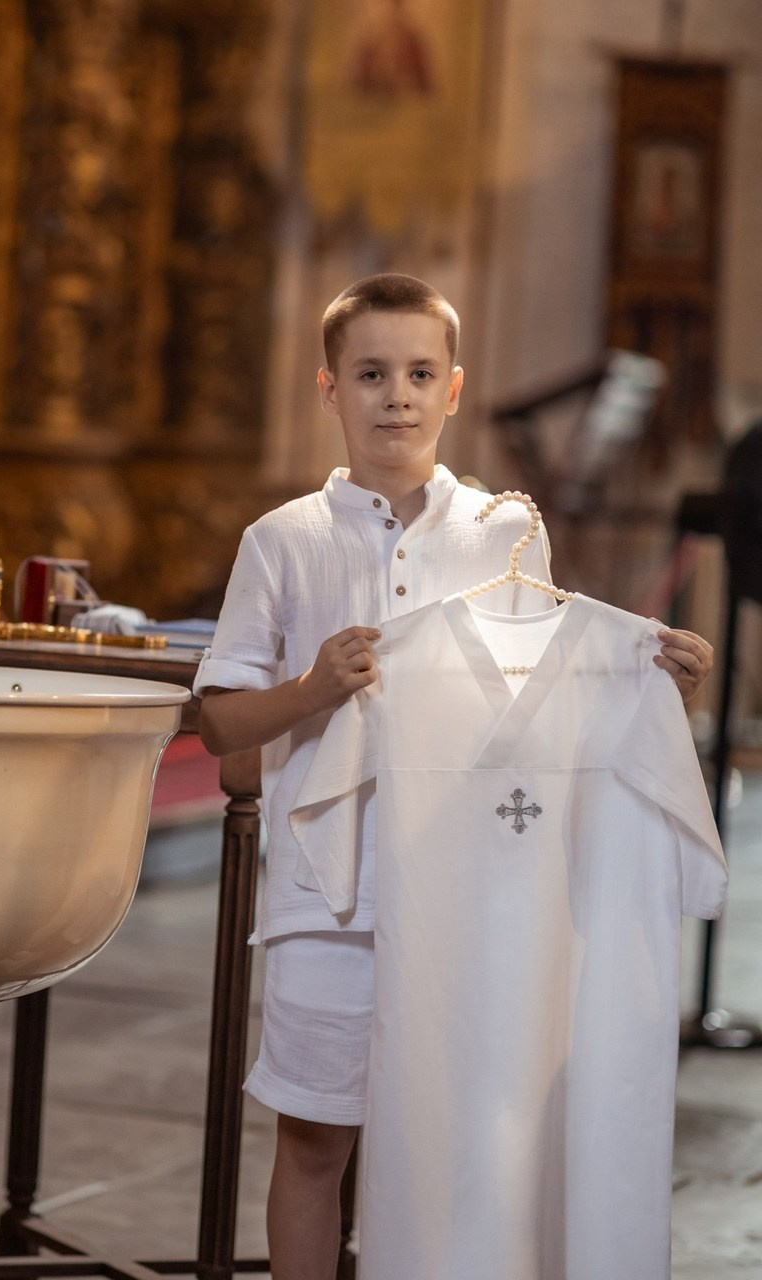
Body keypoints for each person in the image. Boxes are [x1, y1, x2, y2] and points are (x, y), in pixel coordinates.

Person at [194, 273, 713, 1280]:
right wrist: (311, 688)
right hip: (326, 903)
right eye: (371, 372)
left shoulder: (502, 531)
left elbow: (542, 696)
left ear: (453, 388)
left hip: (475, 901)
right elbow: (220, 728)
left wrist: (655, 687)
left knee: (464, 1140)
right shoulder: (282, 540)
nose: (396, 393)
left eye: (418, 372)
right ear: (327, 388)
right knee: (313, 1143)